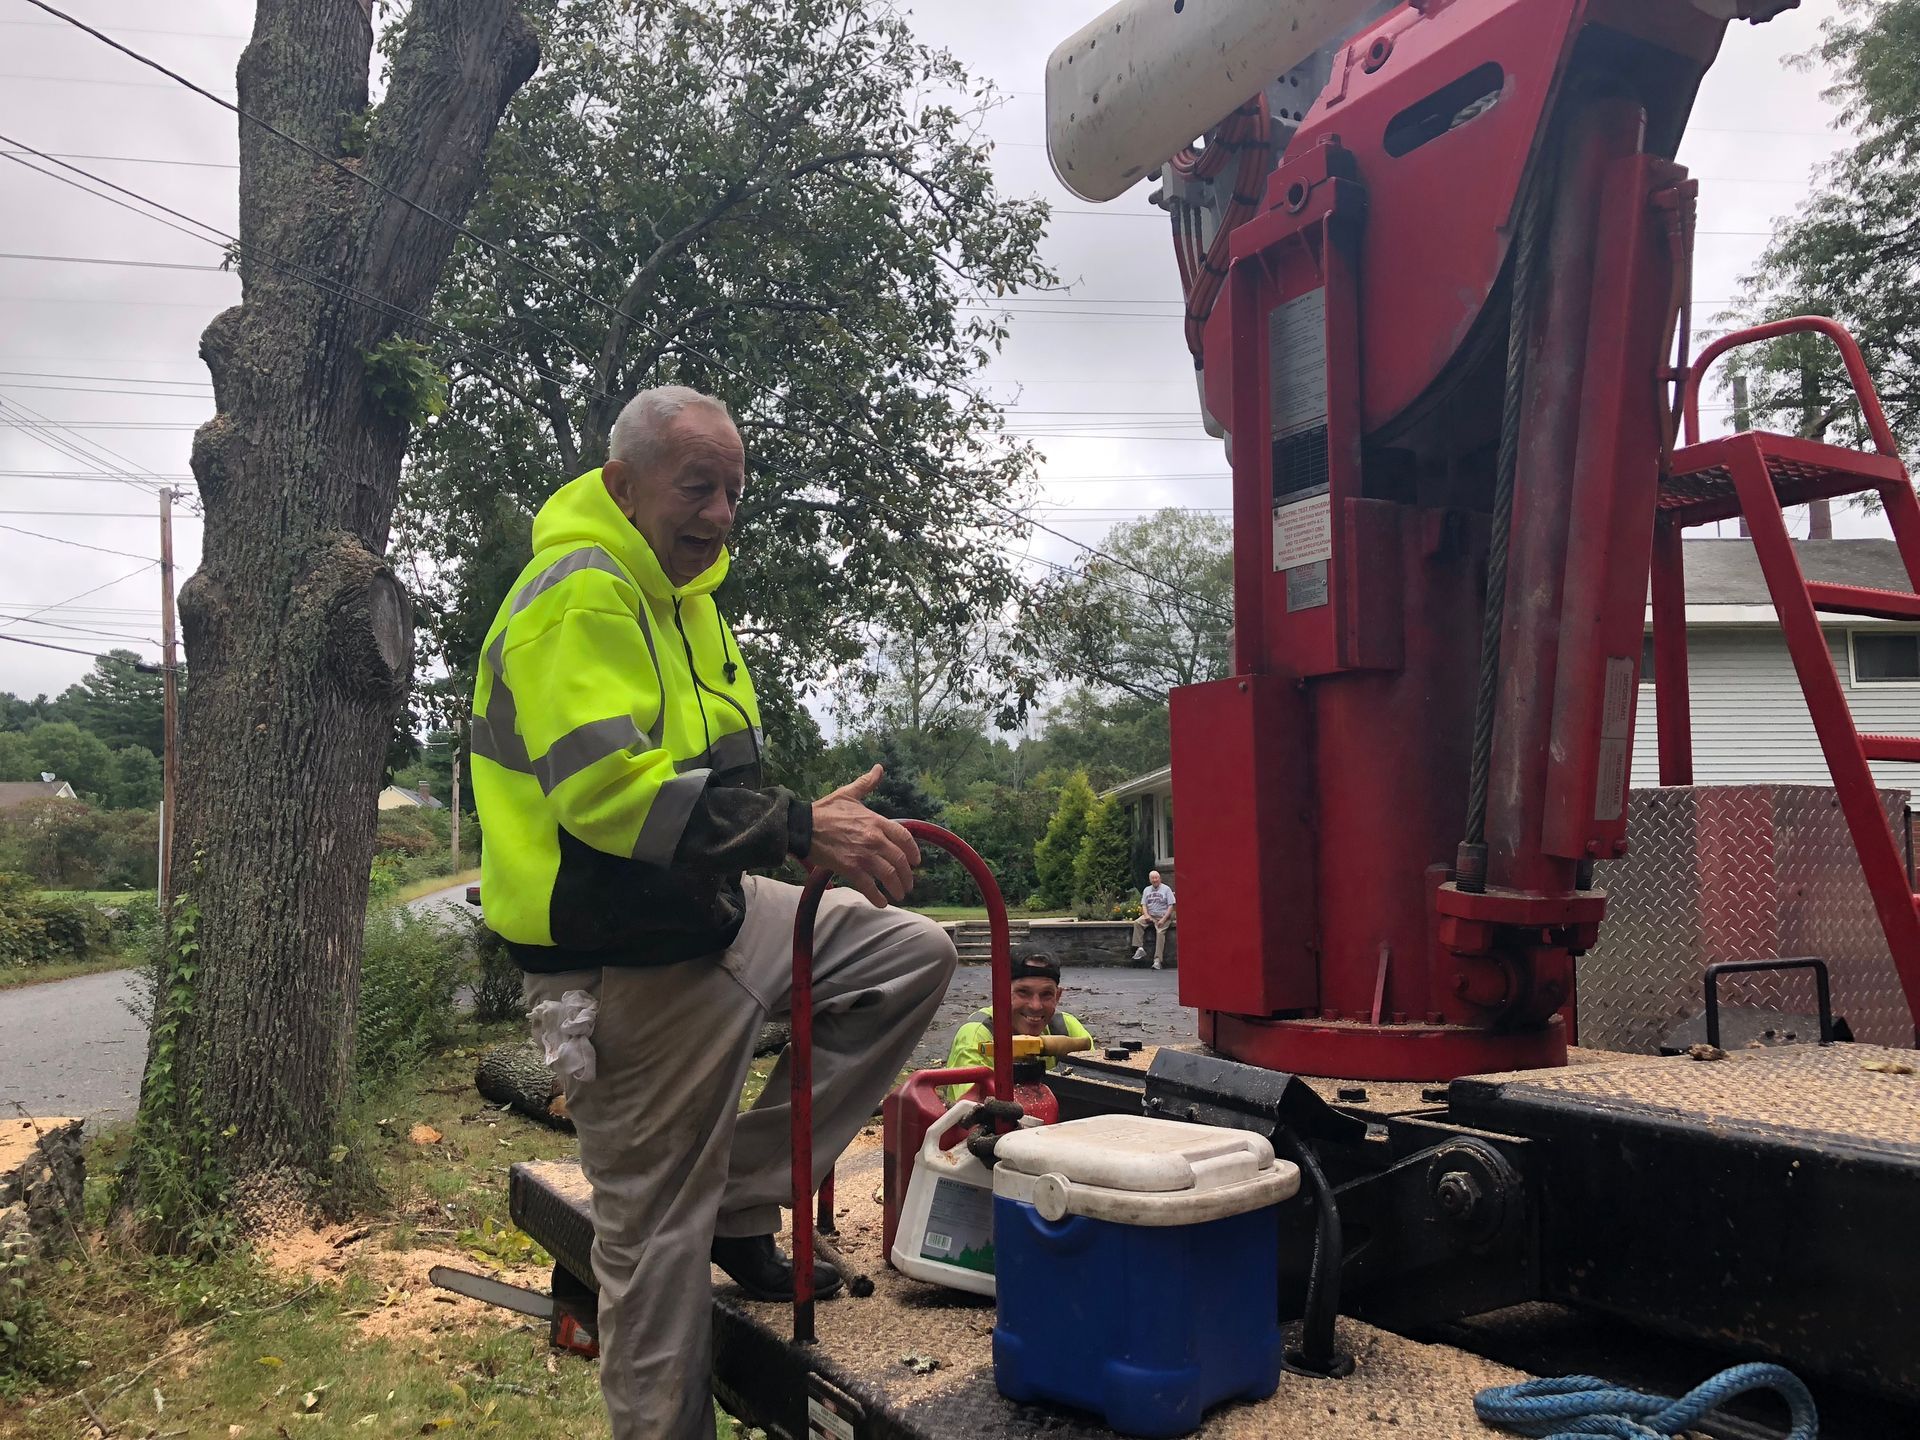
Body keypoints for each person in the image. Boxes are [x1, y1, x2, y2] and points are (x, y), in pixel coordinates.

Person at [469, 385, 957, 1440]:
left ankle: (735, 1201)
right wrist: (797, 828)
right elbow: (607, 799)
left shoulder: (685, 601)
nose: (722, 512)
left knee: (906, 955)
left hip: (712, 915)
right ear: (623, 485)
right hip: (622, 955)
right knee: (652, 1253)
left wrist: (802, 824)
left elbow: (727, 787)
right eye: (699, 486)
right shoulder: (582, 595)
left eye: (734, 490)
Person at [943, 954, 1092, 1099]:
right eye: (1023, 993)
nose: (1035, 1006)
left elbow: (1099, 1076)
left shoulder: (1065, 1026)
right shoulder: (978, 1034)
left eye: (1046, 994)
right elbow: (970, 1113)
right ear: (1001, 992)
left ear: (1057, 996)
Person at [1132, 870, 1176, 968]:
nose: (1155, 880)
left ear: (1160, 878)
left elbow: (1171, 906)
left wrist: (1163, 920)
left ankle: (1157, 960)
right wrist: (1146, 915)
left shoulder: (1166, 889)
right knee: (1137, 923)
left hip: (1163, 915)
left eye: (1156, 878)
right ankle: (1139, 948)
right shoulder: (1147, 890)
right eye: (1153, 878)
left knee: (1160, 933)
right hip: (1151, 915)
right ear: (1150, 880)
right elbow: (1144, 904)